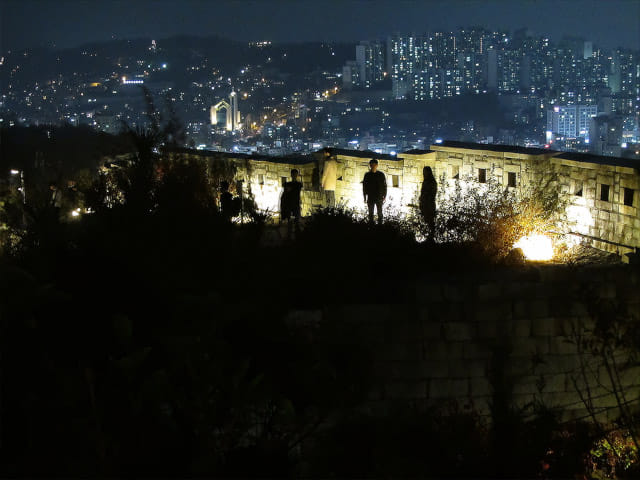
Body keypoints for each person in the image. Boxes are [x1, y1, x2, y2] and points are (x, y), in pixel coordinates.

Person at [362, 159, 386, 224]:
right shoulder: (367, 175)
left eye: (374, 165)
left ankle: (379, 226)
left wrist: (384, 196)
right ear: (370, 165)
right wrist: (364, 197)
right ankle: (371, 226)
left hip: (379, 197)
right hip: (371, 197)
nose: (373, 166)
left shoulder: (381, 175)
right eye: (372, 165)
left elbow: (384, 186)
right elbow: (364, 187)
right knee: (371, 214)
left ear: (377, 165)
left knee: (380, 213)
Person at [281, 169, 303, 236]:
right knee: (290, 221)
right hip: (290, 204)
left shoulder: (298, 184)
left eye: (295, 174)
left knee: (296, 221)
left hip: (295, 204)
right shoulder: (292, 184)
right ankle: (290, 235)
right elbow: (285, 194)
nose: (294, 176)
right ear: (291, 175)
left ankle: (296, 235)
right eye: (293, 174)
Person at [419, 166, 438, 242]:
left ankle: (431, 237)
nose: (424, 173)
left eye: (425, 172)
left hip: (429, 205)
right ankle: (429, 237)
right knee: (427, 220)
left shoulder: (432, 182)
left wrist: (426, 200)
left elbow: (431, 194)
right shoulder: (426, 181)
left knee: (430, 221)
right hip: (425, 204)